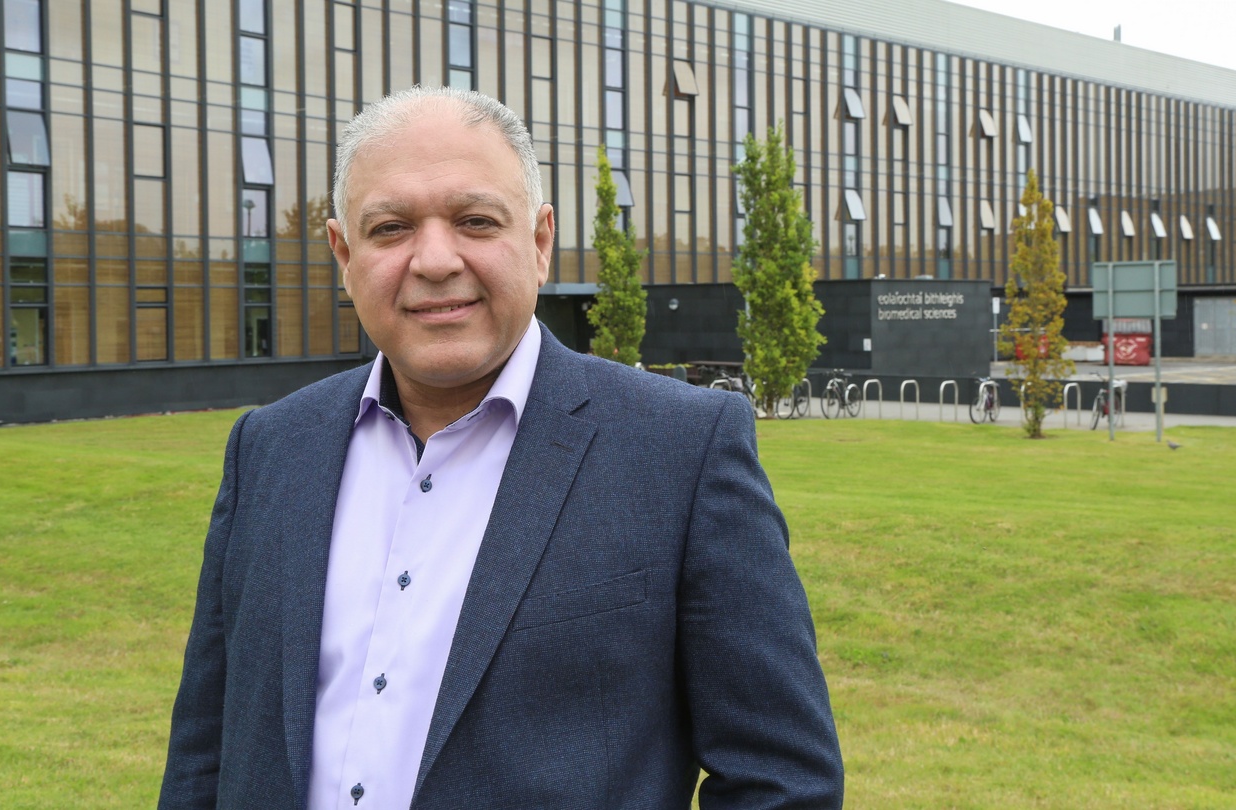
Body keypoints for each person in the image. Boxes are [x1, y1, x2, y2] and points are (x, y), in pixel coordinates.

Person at [158, 86, 842, 810]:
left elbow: (782, 782)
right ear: (342, 253)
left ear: (540, 240)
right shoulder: (268, 449)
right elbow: (206, 755)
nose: (434, 259)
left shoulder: (681, 453)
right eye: (390, 228)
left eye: (475, 220)